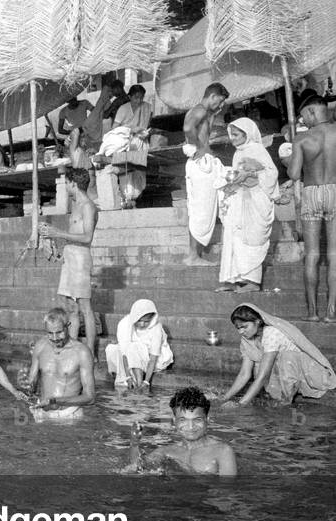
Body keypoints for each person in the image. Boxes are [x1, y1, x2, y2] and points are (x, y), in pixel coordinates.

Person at [219, 303, 336, 406]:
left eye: (244, 327)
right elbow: (244, 374)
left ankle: (287, 398)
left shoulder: (271, 333)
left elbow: (263, 376)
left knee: (286, 357)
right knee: (260, 365)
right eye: (238, 328)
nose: (241, 332)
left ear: (257, 321)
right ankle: (283, 395)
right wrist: (224, 399)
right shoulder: (246, 340)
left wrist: (241, 404)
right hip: (286, 379)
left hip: (309, 376)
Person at [286, 95, 336, 322]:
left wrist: (290, 163)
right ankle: (332, 314)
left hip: (311, 192)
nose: (302, 120)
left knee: (312, 254)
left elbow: (295, 175)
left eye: (303, 116)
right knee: (334, 256)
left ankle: (313, 313)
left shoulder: (302, 138)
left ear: (312, 112)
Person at [39, 168, 98, 355]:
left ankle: (89, 351)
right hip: (70, 256)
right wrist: (57, 244)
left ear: (73, 183)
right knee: (71, 307)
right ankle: (72, 347)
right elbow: (73, 234)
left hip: (81, 258)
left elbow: (87, 237)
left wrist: (57, 233)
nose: (66, 187)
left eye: (67, 183)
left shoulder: (88, 206)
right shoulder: (75, 204)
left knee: (85, 308)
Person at [216, 118, 278, 293]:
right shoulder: (237, 153)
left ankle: (253, 282)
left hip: (257, 201)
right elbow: (237, 176)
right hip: (241, 200)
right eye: (231, 135)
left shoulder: (258, 150)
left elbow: (271, 173)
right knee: (235, 237)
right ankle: (235, 280)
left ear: (247, 133)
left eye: (236, 135)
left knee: (252, 239)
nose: (232, 139)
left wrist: (251, 174)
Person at [128, 387, 237, 476]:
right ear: (174, 422)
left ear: (207, 420)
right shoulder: (167, 451)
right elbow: (137, 468)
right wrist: (134, 443)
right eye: (183, 420)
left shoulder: (222, 451)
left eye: (197, 420)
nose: (190, 426)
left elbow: (227, 491)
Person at [183, 83, 230, 265]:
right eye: (220, 101)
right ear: (212, 95)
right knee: (200, 211)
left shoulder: (205, 112)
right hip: (200, 163)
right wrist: (200, 148)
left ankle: (195, 254)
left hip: (201, 162)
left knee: (201, 209)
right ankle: (193, 256)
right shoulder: (200, 109)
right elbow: (188, 129)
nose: (220, 106)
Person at [27, 308, 96, 420]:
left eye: (59, 332)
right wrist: (26, 386)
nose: (54, 338)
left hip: (69, 416)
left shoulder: (82, 352)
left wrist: (54, 401)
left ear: (68, 326)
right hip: (41, 413)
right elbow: (31, 387)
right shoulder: (40, 346)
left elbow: (90, 397)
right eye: (50, 333)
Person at [104, 299, 173, 392]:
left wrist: (146, 382)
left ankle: (139, 384)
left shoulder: (156, 328)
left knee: (135, 347)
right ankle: (127, 380)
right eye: (139, 320)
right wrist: (127, 376)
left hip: (153, 360)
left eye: (146, 321)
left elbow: (153, 359)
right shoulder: (124, 324)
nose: (142, 324)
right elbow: (124, 353)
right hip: (130, 355)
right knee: (112, 349)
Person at [112, 85, 153, 204]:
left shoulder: (146, 107)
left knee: (139, 170)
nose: (139, 101)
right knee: (127, 171)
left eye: (141, 97)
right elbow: (114, 128)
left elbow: (148, 125)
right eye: (136, 98)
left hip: (141, 142)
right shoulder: (123, 109)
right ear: (129, 97)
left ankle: (138, 195)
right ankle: (127, 196)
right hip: (126, 143)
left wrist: (145, 132)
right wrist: (131, 129)